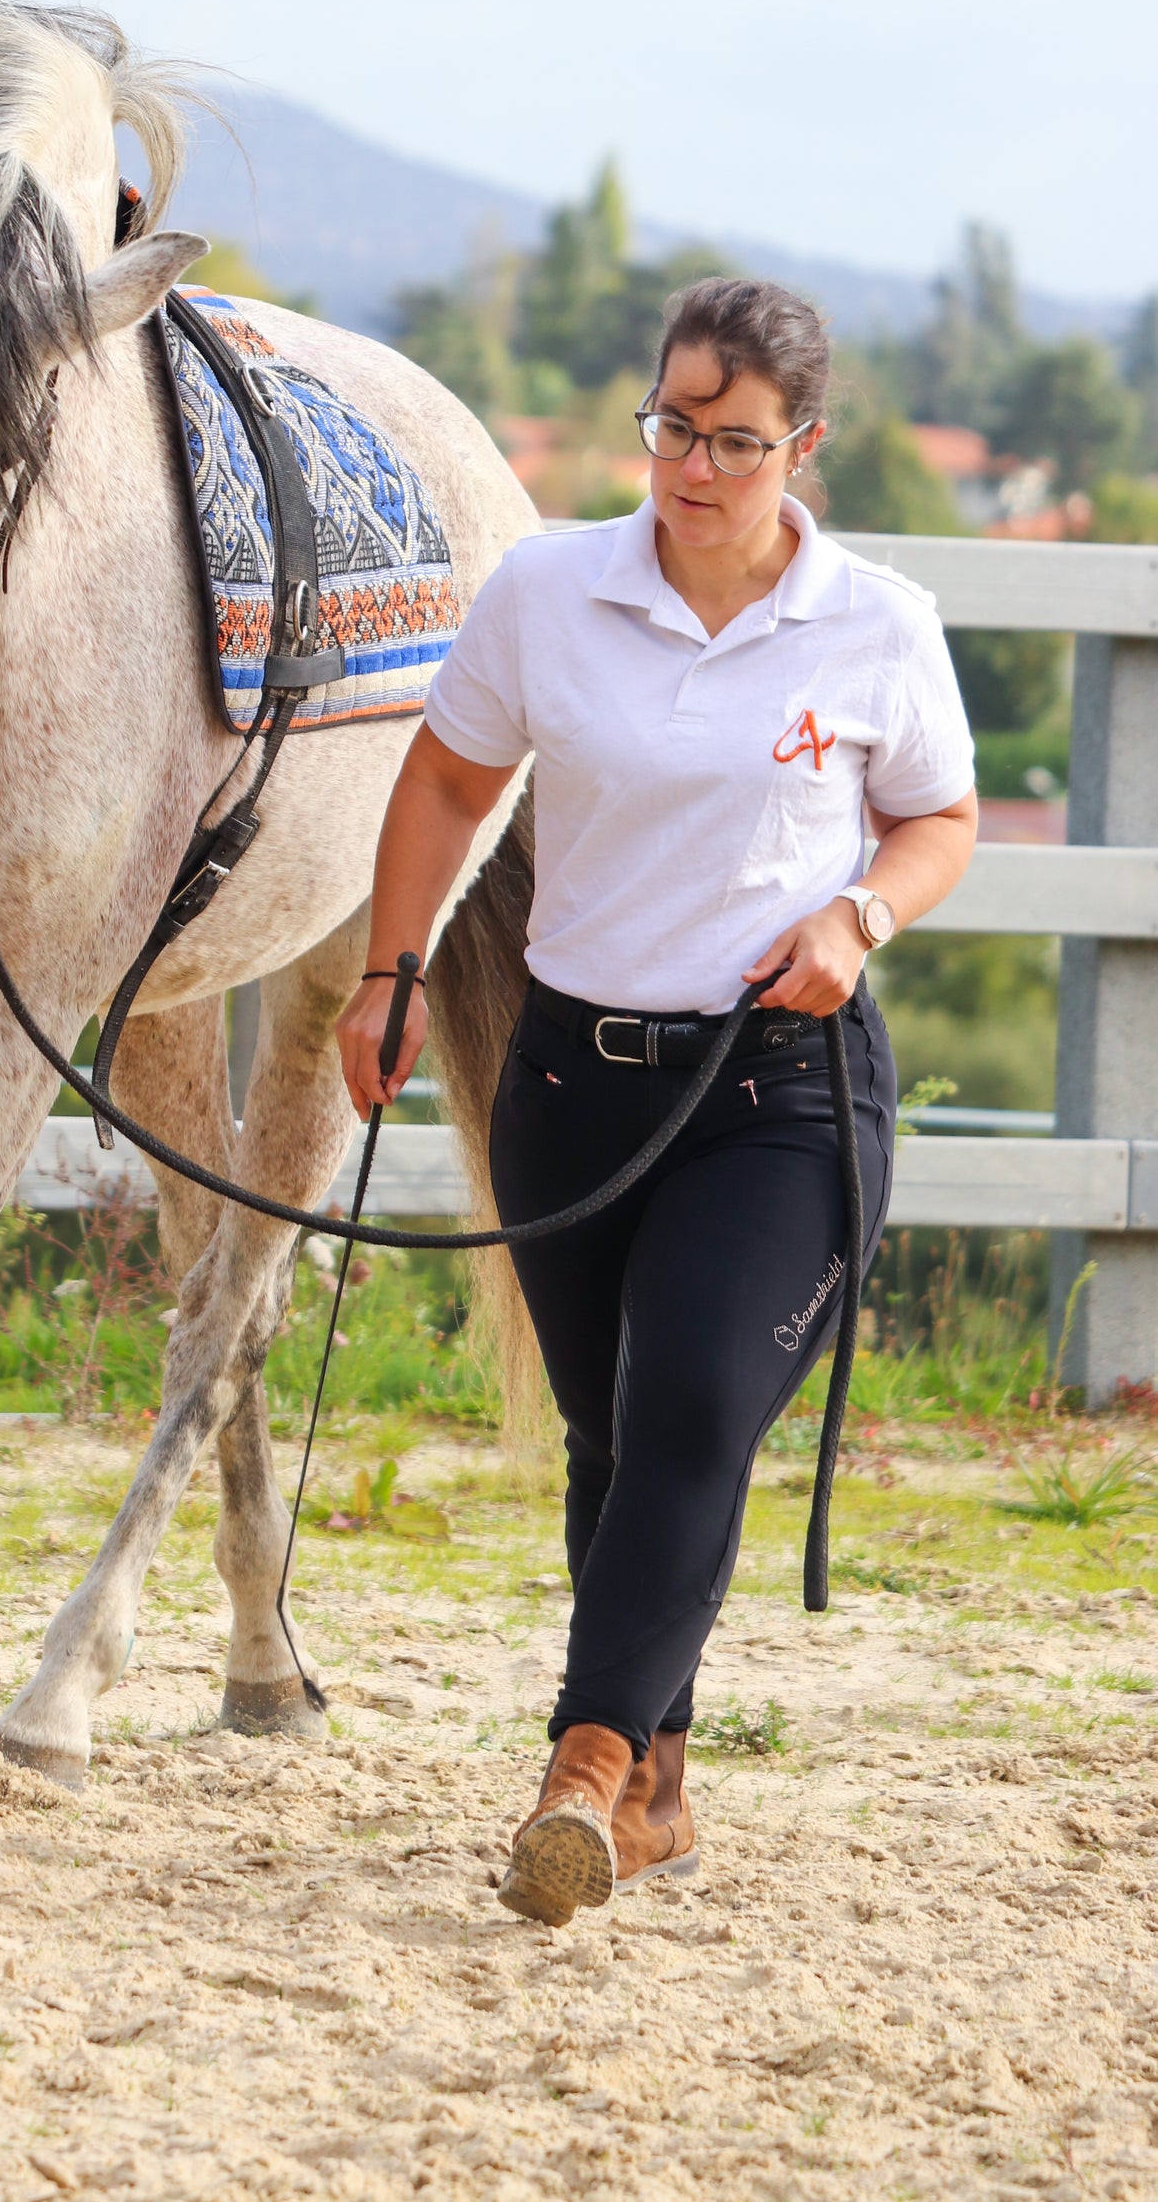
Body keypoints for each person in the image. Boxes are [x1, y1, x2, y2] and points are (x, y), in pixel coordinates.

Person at [335, 277, 977, 1928]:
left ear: (800, 447)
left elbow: (938, 820)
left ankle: (582, 1766)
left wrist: (859, 917)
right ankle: (660, 1794)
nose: (694, 468)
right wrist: (392, 970)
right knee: (611, 1439)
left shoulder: (873, 622)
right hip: (568, 1081)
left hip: (779, 1092)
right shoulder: (550, 592)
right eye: (672, 429)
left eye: (734, 442)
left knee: (690, 1403)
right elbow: (449, 779)